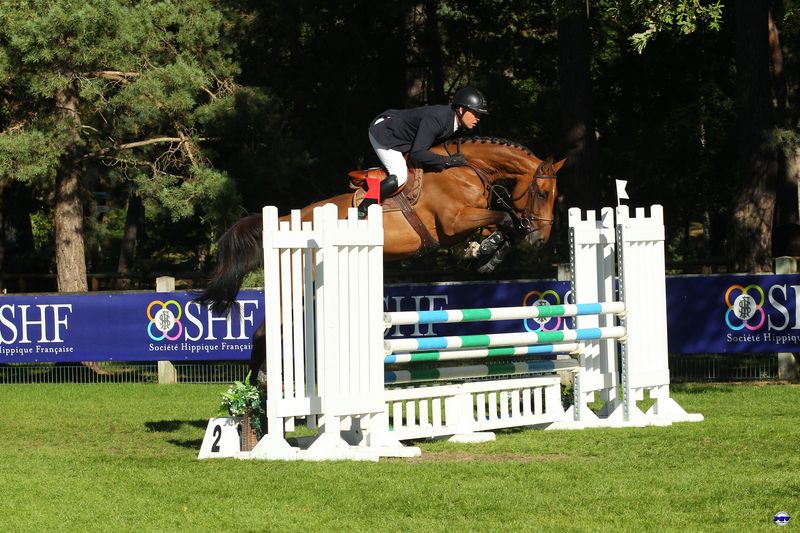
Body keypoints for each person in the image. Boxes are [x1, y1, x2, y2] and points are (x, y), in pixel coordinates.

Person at [358, 86, 489, 218]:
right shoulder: (438, 119)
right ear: (461, 109)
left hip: (401, 135)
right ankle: (362, 209)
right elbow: (418, 153)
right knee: (399, 175)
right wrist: (448, 161)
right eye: (475, 113)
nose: (478, 118)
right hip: (385, 133)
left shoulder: (452, 120)